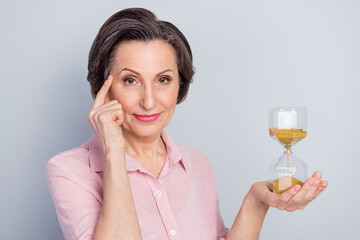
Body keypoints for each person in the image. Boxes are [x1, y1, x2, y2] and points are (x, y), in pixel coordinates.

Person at [46, 7, 328, 240]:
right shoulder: (69, 171)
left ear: (180, 85)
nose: (149, 100)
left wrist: (256, 202)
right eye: (130, 80)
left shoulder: (197, 163)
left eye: (163, 80)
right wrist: (114, 154)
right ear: (103, 89)